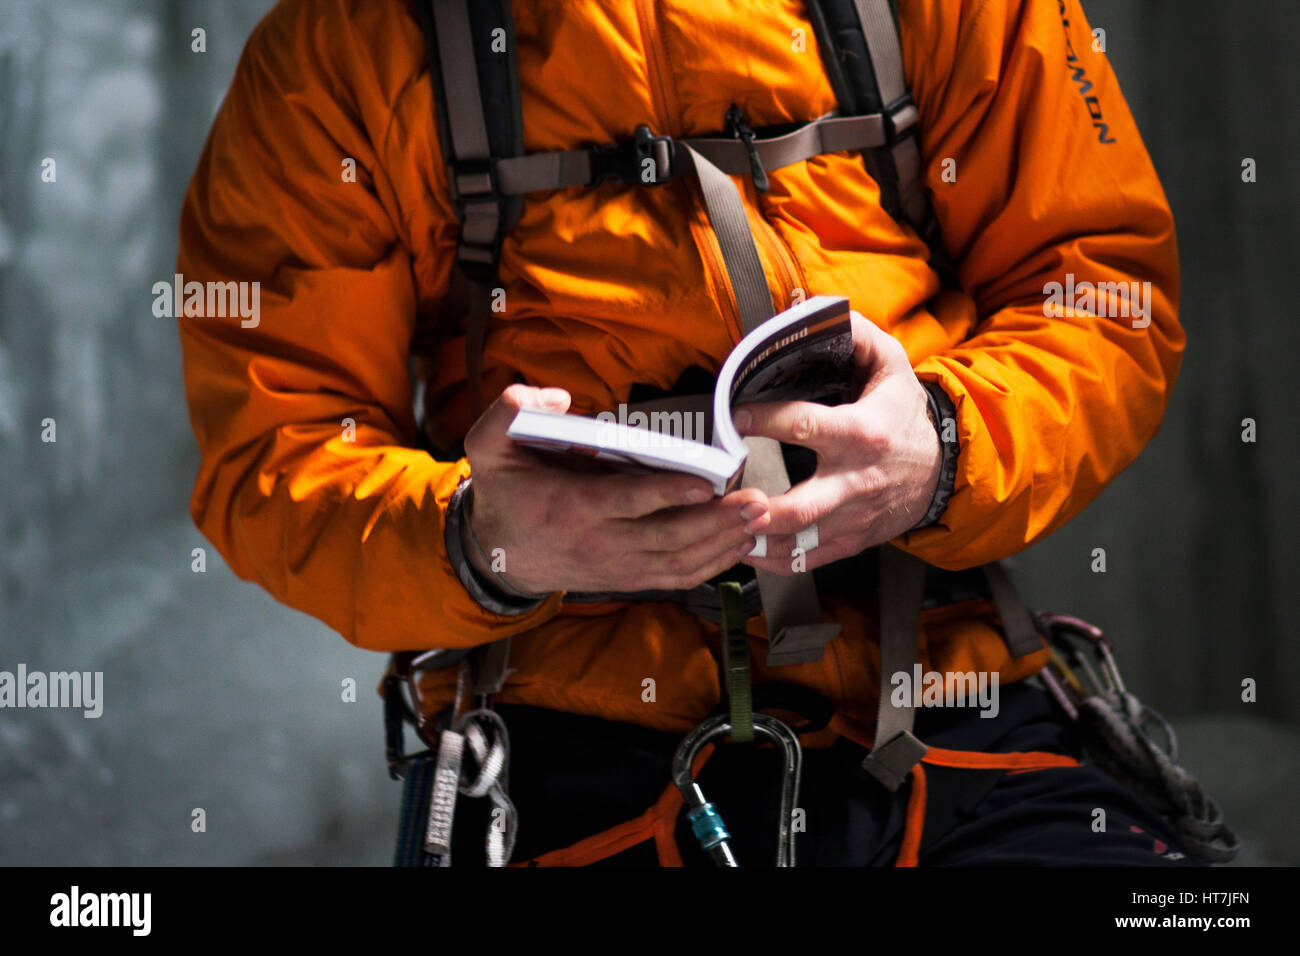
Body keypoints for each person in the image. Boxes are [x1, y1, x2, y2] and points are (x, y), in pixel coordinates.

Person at [176, 0, 1192, 866]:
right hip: (555, 739)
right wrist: (477, 539)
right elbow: (275, 446)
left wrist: (944, 447)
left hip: (940, 688)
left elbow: (1099, 290)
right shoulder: (343, 49)